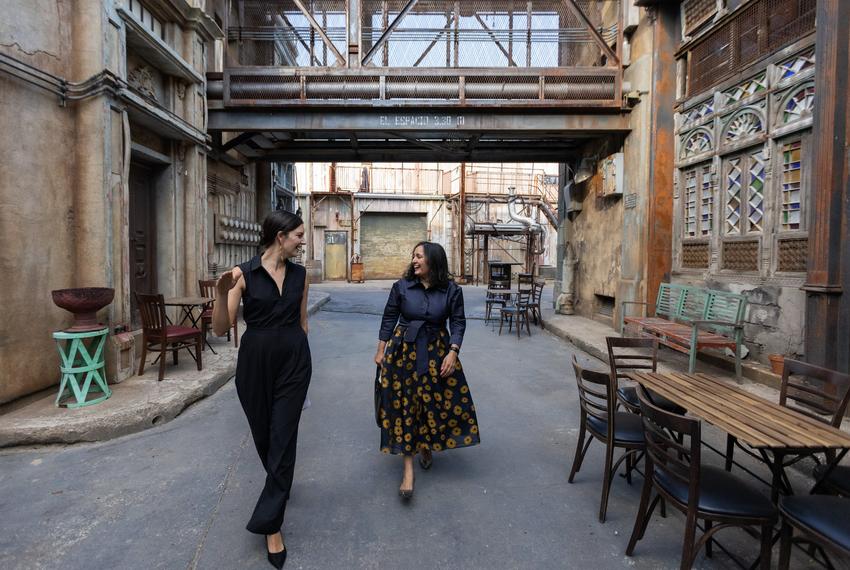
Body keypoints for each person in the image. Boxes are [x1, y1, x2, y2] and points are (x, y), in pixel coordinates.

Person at [213, 211, 310, 569]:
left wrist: (301, 352)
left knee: (283, 435)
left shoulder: (301, 275)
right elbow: (222, 329)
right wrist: (221, 295)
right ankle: (280, 481)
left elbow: (302, 322)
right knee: (265, 438)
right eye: (299, 235)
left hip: (294, 363)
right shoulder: (243, 274)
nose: (302, 240)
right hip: (254, 365)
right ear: (281, 236)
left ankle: (271, 525)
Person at [373, 241, 480, 499]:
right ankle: (408, 471)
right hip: (403, 352)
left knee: (435, 403)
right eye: (413, 256)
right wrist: (381, 350)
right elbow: (389, 317)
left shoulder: (451, 291)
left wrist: (453, 351)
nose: (414, 261)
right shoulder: (401, 287)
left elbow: (458, 321)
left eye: (419, 256)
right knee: (406, 406)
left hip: (437, 351)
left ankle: (426, 444)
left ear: (433, 261)